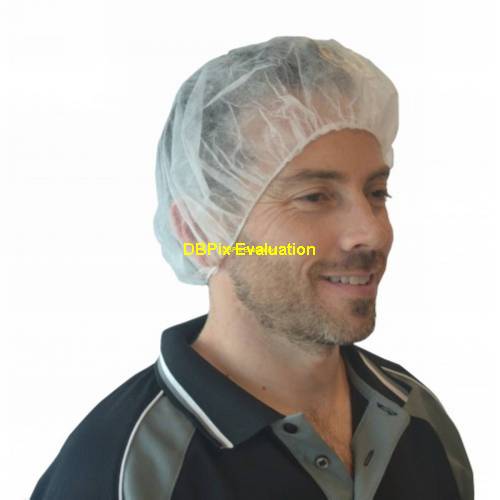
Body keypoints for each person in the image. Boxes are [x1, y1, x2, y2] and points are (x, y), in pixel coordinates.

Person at [30, 36, 474, 500]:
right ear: (200, 230)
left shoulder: (416, 417)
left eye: (376, 192)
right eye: (314, 197)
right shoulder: (120, 471)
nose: (372, 232)